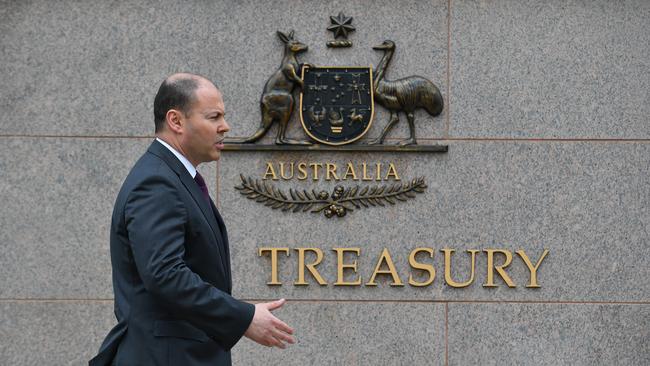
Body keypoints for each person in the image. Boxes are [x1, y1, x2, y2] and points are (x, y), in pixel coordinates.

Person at [90, 73, 295, 366]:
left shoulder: (171, 177)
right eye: (214, 117)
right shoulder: (157, 183)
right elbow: (165, 275)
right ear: (176, 121)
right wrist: (243, 317)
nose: (225, 126)